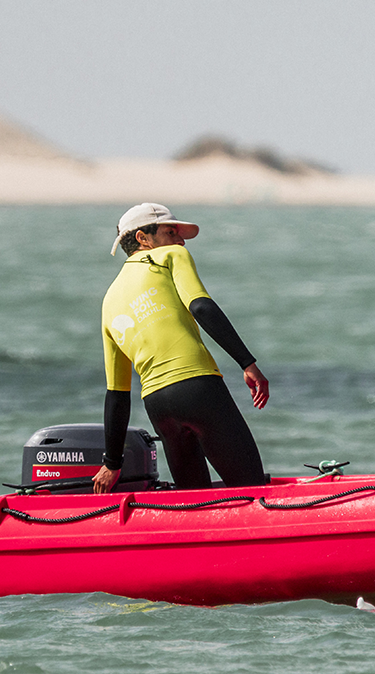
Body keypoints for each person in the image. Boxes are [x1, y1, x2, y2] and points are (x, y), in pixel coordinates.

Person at [93, 202, 269, 493]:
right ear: (142, 237)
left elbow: (117, 393)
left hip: (158, 406)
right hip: (198, 389)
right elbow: (200, 306)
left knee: (194, 500)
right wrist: (247, 363)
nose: (181, 239)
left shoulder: (109, 300)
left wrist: (112, 462)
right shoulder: (169, 256)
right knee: (250, 489)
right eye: (171, 231)